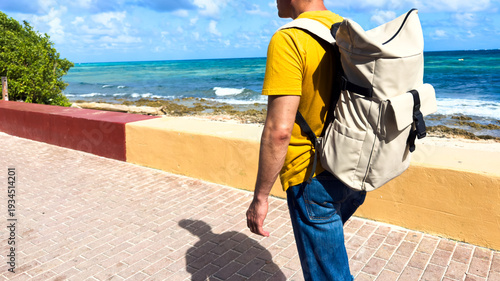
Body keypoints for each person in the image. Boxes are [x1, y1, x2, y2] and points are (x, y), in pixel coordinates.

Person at [246, 0, 367, 280]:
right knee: (329, 261)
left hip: (312, 178)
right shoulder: (348, 30)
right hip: (355, 168)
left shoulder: (289, 38)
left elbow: (279, 130)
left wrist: (260, 198)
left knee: (328, 275)